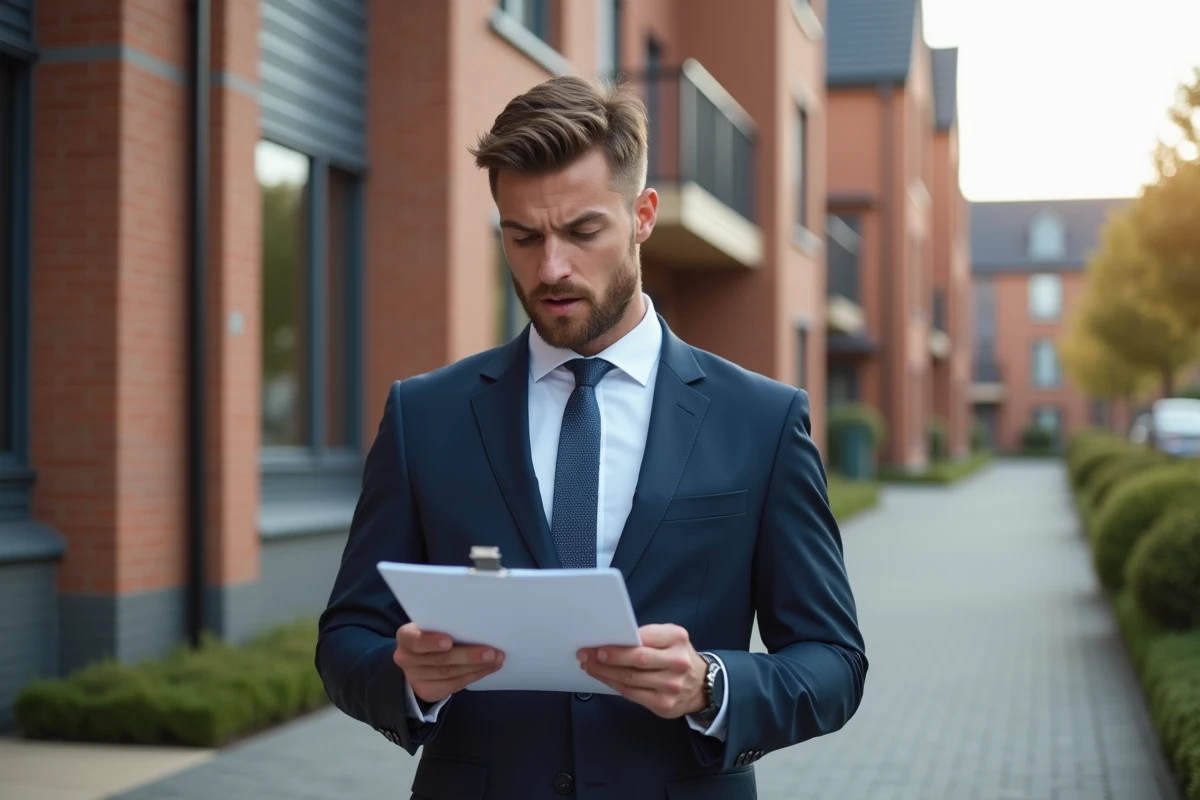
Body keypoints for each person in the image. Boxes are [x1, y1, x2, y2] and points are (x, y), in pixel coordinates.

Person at [315, 75, 867, 800]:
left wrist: (711, 684)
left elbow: (833, 661)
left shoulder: (761, 420)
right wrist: (406, 679)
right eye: (523, 237)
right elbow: (346, 639)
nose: (550, 268)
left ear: (643, 216)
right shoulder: (425, 415)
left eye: (582, 232)